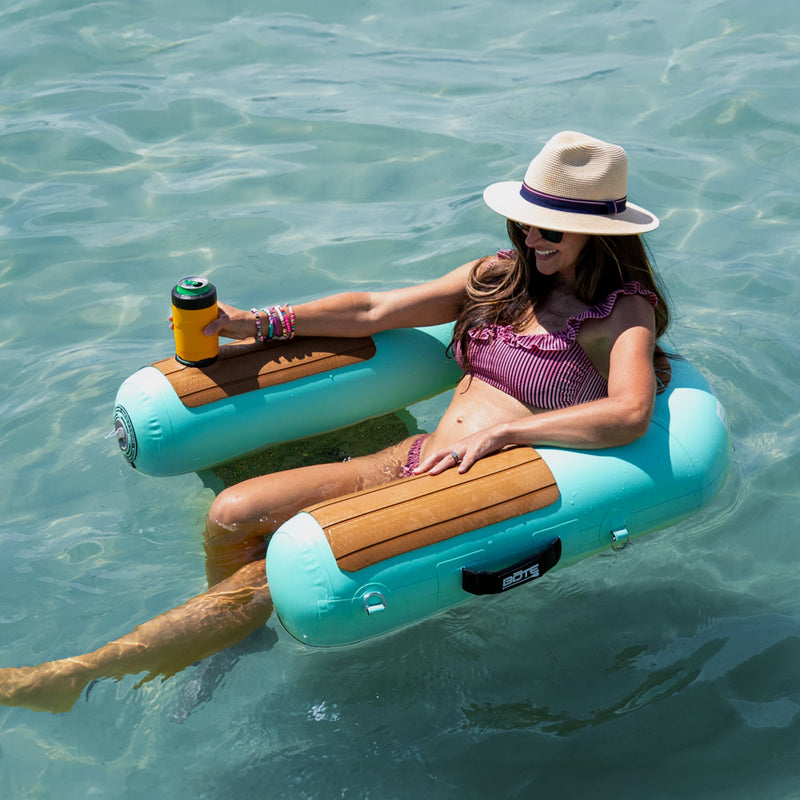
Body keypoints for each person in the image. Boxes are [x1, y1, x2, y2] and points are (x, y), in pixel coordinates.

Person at [0, 131, 670, 713]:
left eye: (549, 228)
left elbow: (630, 413)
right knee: (233, 512)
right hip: (419, 456)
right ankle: (235, 635)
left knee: (273, 571)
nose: (530, 236)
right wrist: (256, 324)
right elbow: (375, 310)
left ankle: (77, 675)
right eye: (525, 222)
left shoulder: (620, 316)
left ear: (595, 232)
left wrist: (509, 432)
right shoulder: (500, 278)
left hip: (477, 484)